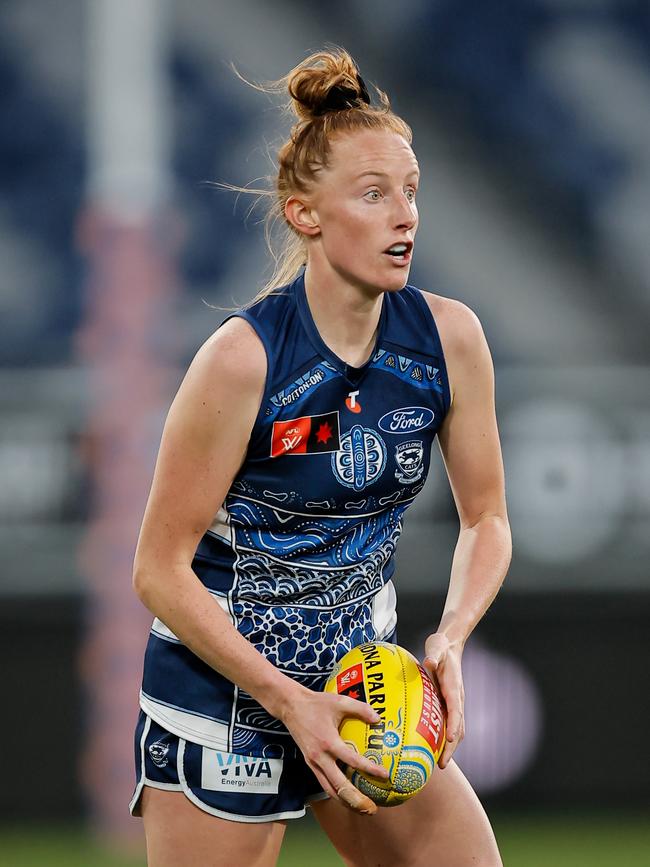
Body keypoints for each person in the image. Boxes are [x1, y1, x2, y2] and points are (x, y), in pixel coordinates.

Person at [130, 47, 511, 867]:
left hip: (359, 690)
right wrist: (284, 701)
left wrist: (450, 634)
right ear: (306, 214)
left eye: (411, 192)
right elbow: (158, 568)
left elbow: (488, 517)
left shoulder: (451, 340)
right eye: (374, 195)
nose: (405, 216)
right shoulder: (241, 360)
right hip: (226, 700)